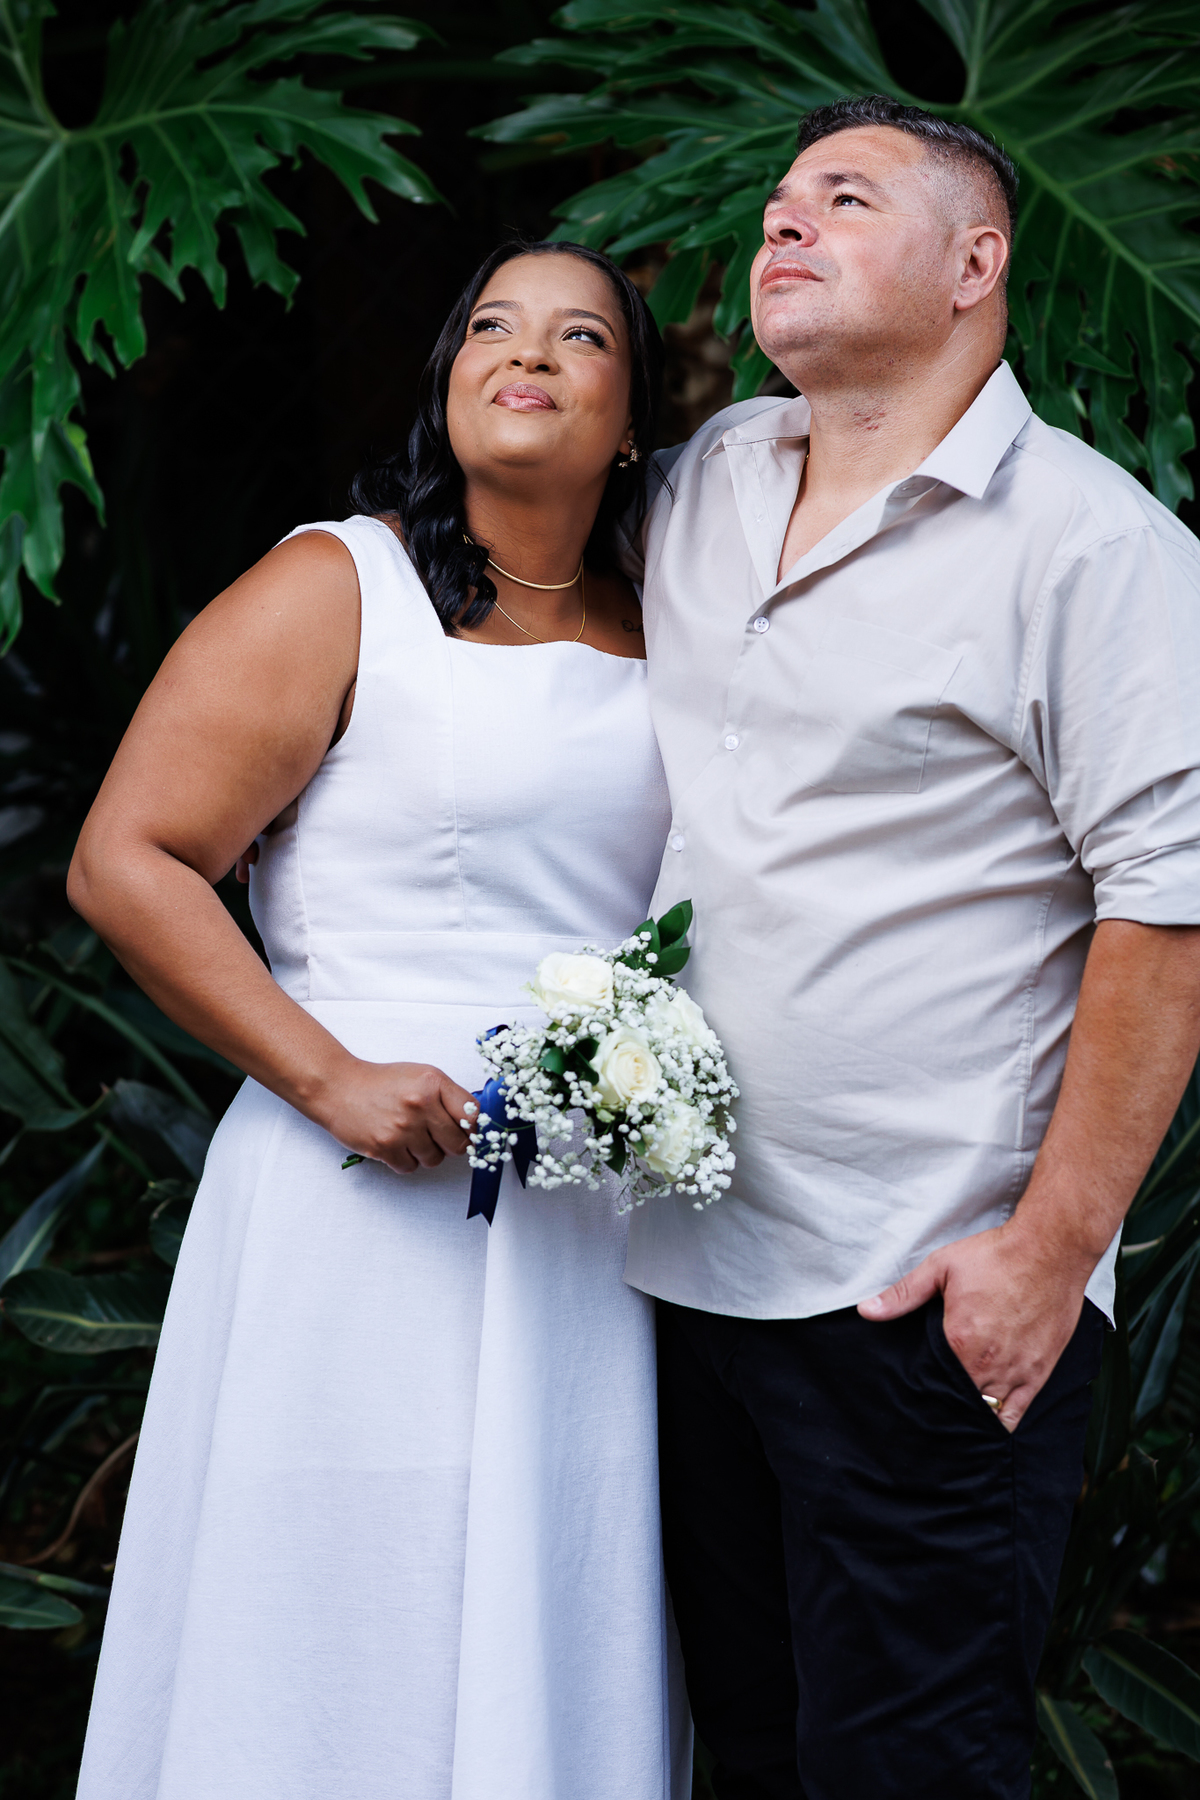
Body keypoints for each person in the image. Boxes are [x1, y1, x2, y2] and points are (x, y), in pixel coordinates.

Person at [625, 95, 1200, 1798]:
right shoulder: (708, 477)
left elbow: (1170, 909)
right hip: (683, 1270)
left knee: (913, 1772)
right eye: (779, 200)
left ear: (976, 263)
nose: (783, 221)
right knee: (747, 1754)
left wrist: (1048, 1256)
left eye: (846, 198)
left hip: (920, 1291)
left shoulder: (1094, 547)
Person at [68, 240, 690, 1800]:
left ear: (632, 421)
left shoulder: (678, 628)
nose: (525, 353)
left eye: (579, 337)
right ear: (446, 380)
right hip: (357, 1193)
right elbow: (129, 859)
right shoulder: (344, 585)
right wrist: (328, 1075)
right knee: (343, 1595)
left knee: (555, 1588)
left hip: (579, 1213)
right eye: (491, 326)